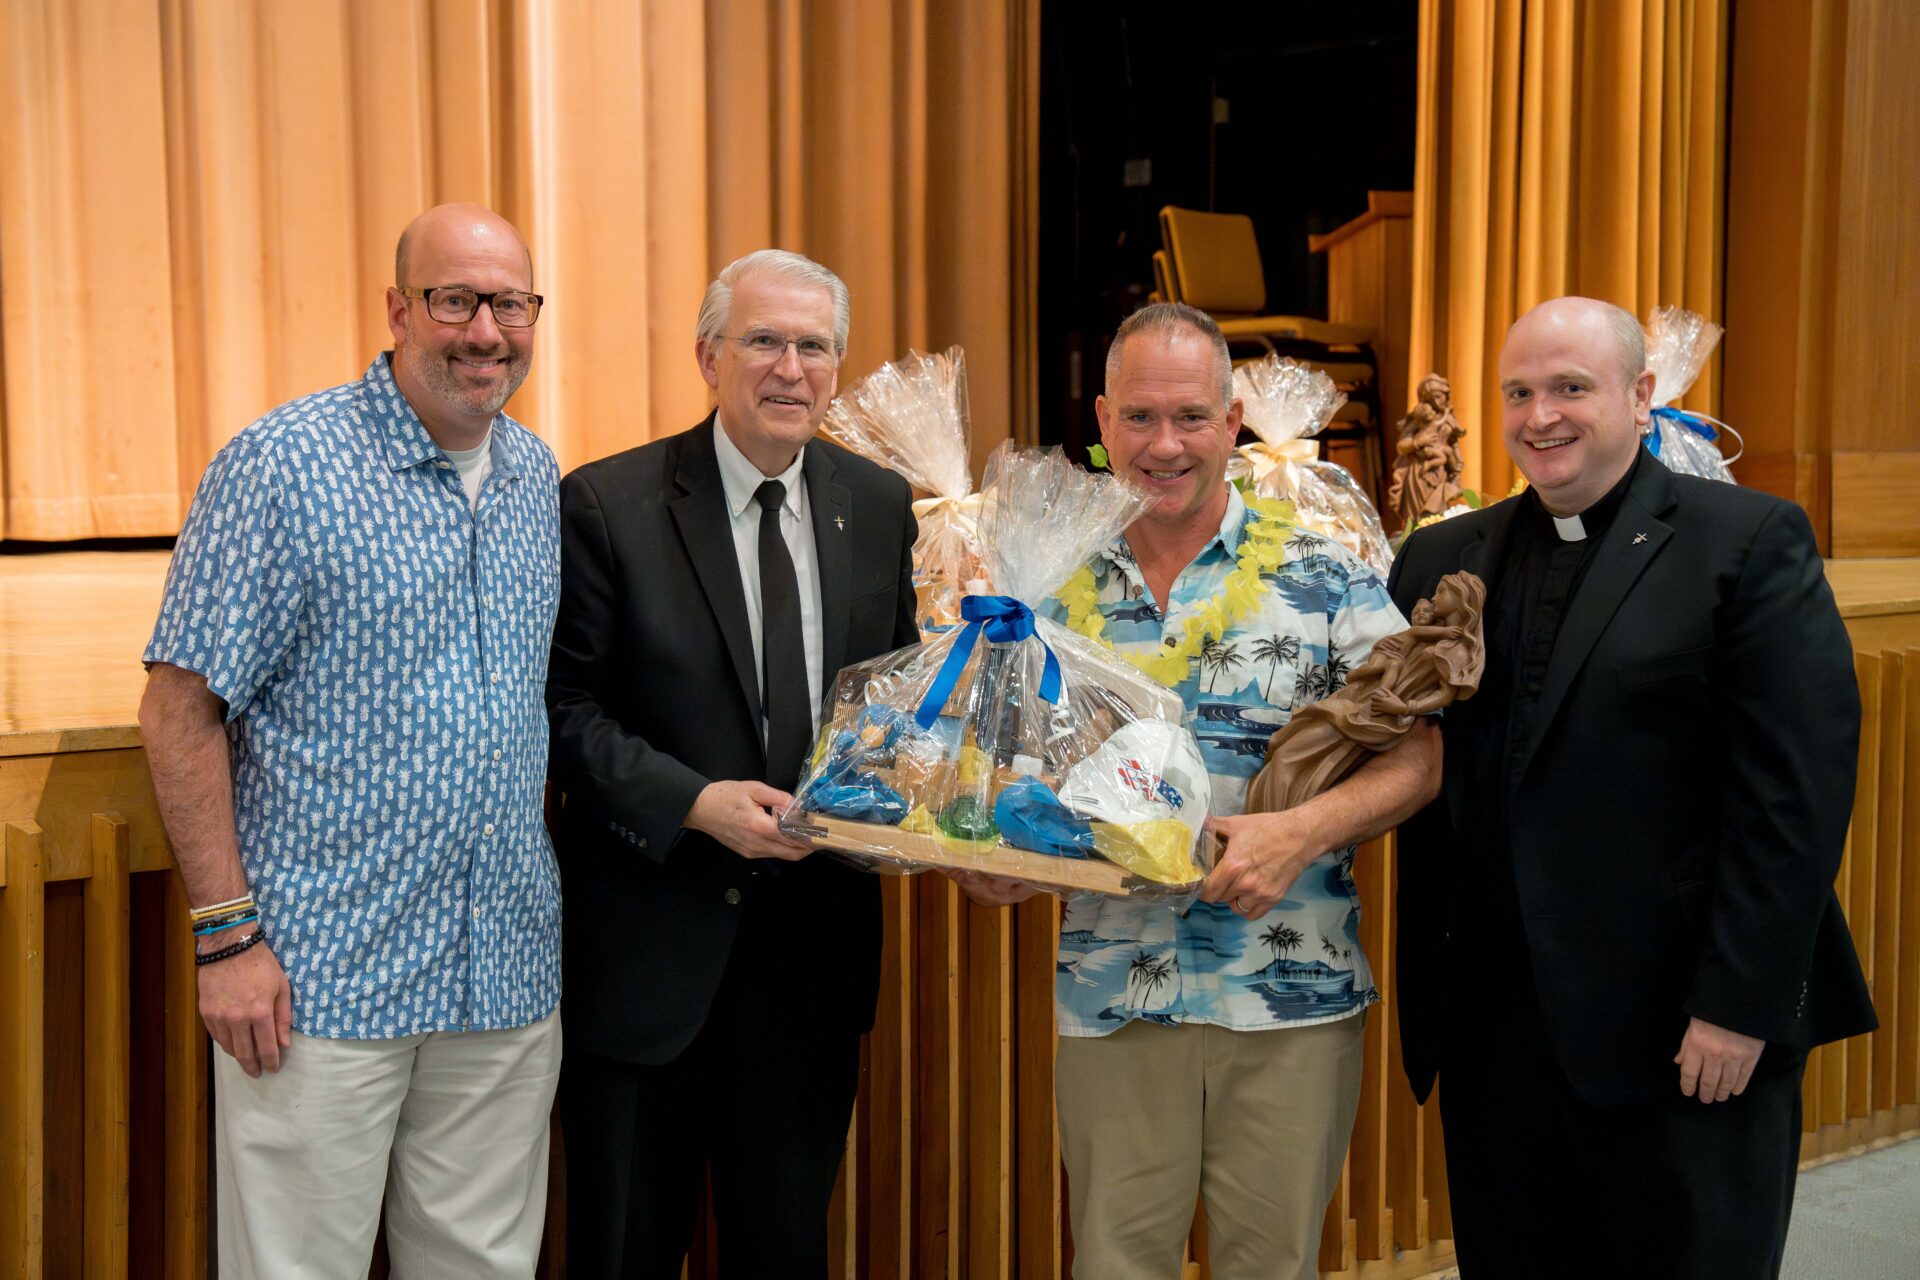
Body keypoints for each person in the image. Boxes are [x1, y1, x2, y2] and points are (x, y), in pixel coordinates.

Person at [1389, 296, 1876, 1279]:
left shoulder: (1745, 540)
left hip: (1684, 1038)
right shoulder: (1440, 558)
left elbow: (1795, 796)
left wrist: (1739, 1003)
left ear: (1641, 394)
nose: (1540, 416)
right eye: (1518, 393)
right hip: (1498, 1039)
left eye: (1571, 387)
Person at [963, 302, 1441, 1280]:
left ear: (1232, 422)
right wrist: (992, 860)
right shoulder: (1041, 588)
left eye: (1190, 417)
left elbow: (1420, 756)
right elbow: (989, 771)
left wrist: (1301, 831)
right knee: (1114, 1265)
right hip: (1112, 998)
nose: (1165, 444)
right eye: (1140, 417)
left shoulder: (1325, 574)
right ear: (1103, 420)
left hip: (1290, 999)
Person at [139, 203, 563, 1277]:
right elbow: (180, 709)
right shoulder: (282, 465)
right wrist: (227, 937)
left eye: (510, 304)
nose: (486, 331)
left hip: (503, 975)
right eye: (454, 300)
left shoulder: (534, 476)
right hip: (320, 982)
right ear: (398, 309)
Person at [546, 249, 919, 1277]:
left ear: (837, 367)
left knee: (784, 1255)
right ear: (709, 356)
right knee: (625, 1254)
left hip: (810, 964)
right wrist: (693, 801)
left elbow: (891, 701)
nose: (790, 368)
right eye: (764, 341)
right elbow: (564, 710)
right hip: (648, 959)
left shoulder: (879, 504)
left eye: (814, 346)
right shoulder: (607, 503)